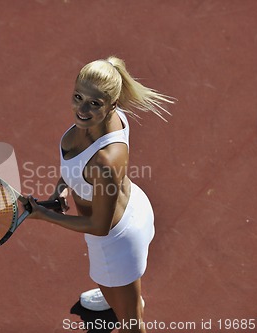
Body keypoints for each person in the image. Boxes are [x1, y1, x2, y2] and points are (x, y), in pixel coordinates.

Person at [27, 56, 174, 333]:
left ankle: (124, 299)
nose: (82, 109)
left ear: (111, 104)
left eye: (94, 103)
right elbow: (75, 167)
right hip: (131, 207)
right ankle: (120, 296)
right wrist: (61, 191)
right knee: (120, 296)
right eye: (78, 96)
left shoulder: (107, 161)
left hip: (115, 241)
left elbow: (99, 226)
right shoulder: (105, 121)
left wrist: (43, 215)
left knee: (132, 324)